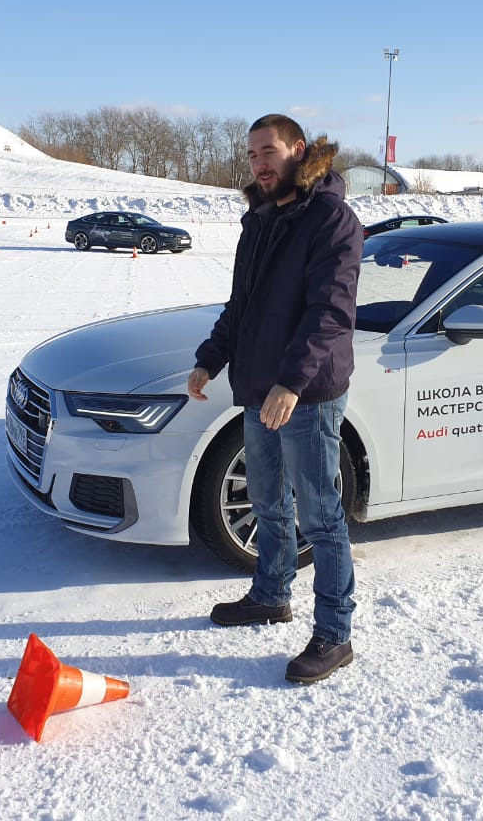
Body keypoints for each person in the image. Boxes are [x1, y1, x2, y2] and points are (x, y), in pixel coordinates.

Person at [188, 113, 363, 684]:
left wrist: (292, 383)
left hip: (306, 392)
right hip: (260, 387)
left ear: (298, 150)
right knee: (267, 500)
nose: (259, 163)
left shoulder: (331, 219)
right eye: (252, 155)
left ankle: (335, 635)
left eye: (268, 151)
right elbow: (242, 306)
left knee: (320, 516)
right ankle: (270, 595)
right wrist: (210, 357)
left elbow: (330, 314)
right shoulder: (260, 220)